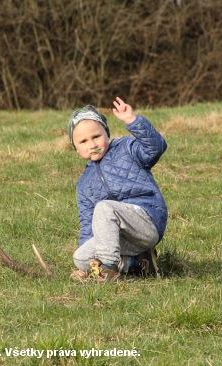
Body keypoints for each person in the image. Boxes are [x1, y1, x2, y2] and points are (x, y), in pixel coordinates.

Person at [68, 97, 168, 282]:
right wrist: (88, 264)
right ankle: (139, 261)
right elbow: (88, 224)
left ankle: (109, 271)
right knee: (80, 258)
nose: (92, 145)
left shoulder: (126, 149)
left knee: (105, 208)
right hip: (120, 238)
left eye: (96, 136)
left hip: (145, 222)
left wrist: (132, 120)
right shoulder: (84, 184)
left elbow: (156, 147)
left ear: (107, 134)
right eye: (83, 141)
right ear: (76, 148)